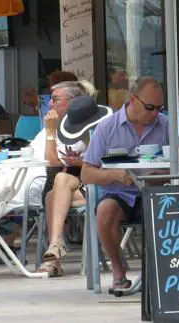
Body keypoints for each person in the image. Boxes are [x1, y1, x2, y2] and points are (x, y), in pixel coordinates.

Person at [0, 80, 94, 266]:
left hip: (36, 180)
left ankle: (1, 241)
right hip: (19, 169)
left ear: (73, 102)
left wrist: (50, 132)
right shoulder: (55, 122)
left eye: (55, 99)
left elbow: (53, 166)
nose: (50, 103)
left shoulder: (77, 131)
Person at [81, 76, 168, 289]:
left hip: (156, 191)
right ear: (132, 99)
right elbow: (86, 174)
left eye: (159, 107)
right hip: (121, 194)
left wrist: (160, 173)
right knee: (105, 210)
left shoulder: (165, 125)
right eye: (150, 107)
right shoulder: (107, 127)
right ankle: (118, 270)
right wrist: (116, 175)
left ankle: (166, 272)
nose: (155, 113)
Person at [38, 96, 112, 277]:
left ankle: (54, 256)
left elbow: (109, 164)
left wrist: (80, 162)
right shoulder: (79, 134)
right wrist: (78, 162)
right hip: (84, 184)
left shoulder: (107, 131)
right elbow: (53, 163)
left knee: (53, 192)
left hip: (105, 185)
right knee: (57, 184)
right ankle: (55, 245)